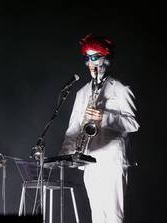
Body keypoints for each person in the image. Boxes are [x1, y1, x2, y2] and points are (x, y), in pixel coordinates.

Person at [61, 34, 140, 223]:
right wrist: (66, 154)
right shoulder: (82, 93)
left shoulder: (120, 88)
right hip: (90, 162)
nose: (90, 62)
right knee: (96, 216)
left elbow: (133, 124)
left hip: (112, 161)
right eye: (87, 58)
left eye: (95, 57)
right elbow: (73, 127)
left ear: (106, 58)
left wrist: (105, 117)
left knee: (113, 216)